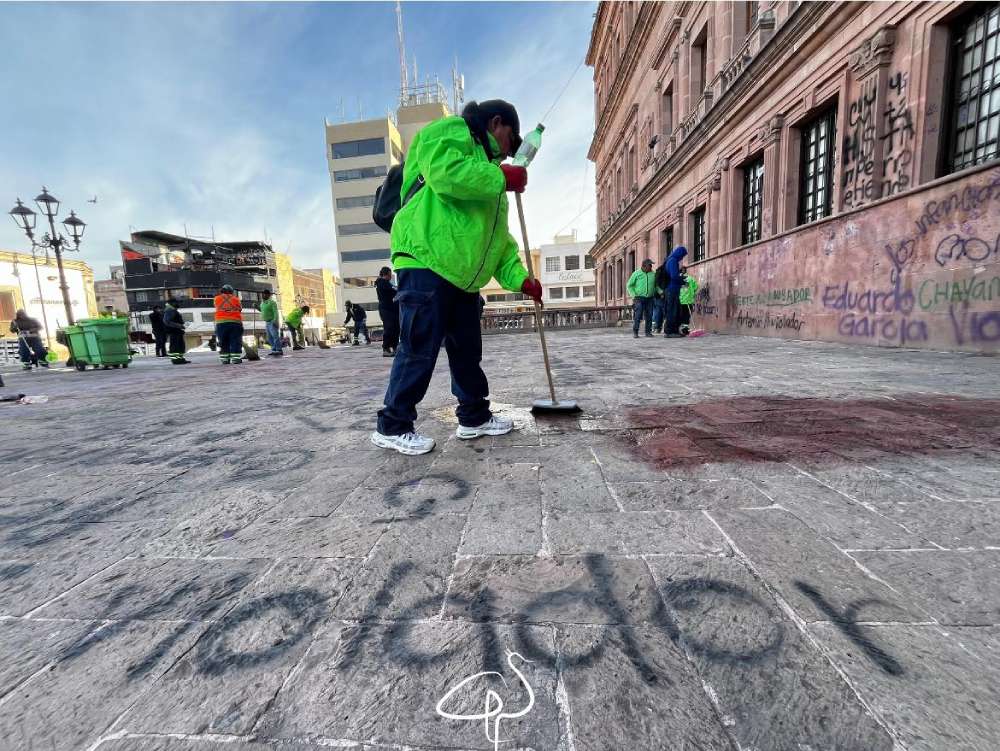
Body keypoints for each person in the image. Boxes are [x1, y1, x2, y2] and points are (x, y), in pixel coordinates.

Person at [371, 98, 537, 456]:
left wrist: (521, 280)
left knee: (466, 352)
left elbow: (497, 242)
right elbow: (445, 173)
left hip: (462, 276)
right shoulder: (452, 131)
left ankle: (473, 416)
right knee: (418, 347)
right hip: (426, 259)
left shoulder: (491, 180)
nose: (511, 150)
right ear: (497, 124)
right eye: (512, 137)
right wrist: (499, 177)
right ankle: (393, 424)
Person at [213, 284, 244, 364]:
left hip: (221, 323)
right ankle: (236, 358)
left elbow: (216, 307)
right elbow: (240, 309)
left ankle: (225, 359)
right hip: (235, 322)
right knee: (235, 340)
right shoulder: (236, 299)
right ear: (231, 291)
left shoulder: (217, 299)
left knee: (223, 340)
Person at [626, 258, 657, 338]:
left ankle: (648, 332)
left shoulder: (653, 274)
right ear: (644, 266)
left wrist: (660, 292)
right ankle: (635, 332)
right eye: (649, 265)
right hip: (638, 298)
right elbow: (629, 285)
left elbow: (656, 285)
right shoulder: (636, 274)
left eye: (651, 265)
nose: (651, 267)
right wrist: (633, 295)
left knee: (649, 315)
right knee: (638, 314)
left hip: (650, 298)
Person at [663, 246, 689, 338]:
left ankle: (673, 331)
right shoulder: (673, 261)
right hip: (672, 289)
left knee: (675, 310)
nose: (682, 258)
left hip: (672, 289)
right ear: (679, 253)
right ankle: (669, 332)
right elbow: (674, 276)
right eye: (682, 255)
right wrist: (682, 280)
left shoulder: (670, 260)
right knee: (672, 311)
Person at [375, 267, 399, 357]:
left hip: (391, 308)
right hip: (386, 309)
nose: (390, 277)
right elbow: (393, 291)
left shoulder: (386, 283)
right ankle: (386, 348)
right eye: (390, 275)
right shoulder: (382, 282)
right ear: (386, 274)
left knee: (396, 328)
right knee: (389, 328)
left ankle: (395, 347)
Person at [163, 297, 190, 364]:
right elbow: (167, 321)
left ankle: (180, 359)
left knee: (180, 345)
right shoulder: (170, 310)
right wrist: (179, 325)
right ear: (172, 303)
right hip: (174, 331)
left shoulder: (172, 310)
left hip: (177, 330)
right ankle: (176, 360)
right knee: (175, 346)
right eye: (176, 302)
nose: (178, 304)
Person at [259, 289, 282, 356]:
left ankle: (279, 350)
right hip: (267, 322)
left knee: (275, 336)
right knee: (270, 337)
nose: (263, 295)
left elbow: (275, 312)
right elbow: (262, 310)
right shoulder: (262, 303)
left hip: (272, 321)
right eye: (263, 294)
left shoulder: (272, 302)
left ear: (268, 295)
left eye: (265, 294)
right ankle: (274, 349)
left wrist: (275, 320)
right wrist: (256, 307)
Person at [678, 265, 699, 336]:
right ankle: (684, 330)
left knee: (681, 316)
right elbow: (696, 287)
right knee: (686, 316)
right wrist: (691, 293)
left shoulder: (677, 279)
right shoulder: (691, 279)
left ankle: (682, 330)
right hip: (688, 300)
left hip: (681, 301)